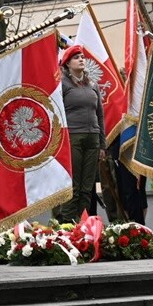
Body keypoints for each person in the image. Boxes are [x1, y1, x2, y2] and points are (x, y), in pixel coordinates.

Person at [53, 44, 106, 224]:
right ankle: (67, 224)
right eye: (76, 57)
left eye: (82, 56)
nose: (81, 59)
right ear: (67, 64)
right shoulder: (62, 84)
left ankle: (82, 223)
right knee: (73, 185)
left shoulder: (93, 84)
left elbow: (99, 114)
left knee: (87, 186)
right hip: (72, 138)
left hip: (93, 138)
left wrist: (102, 145)